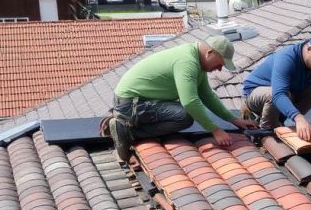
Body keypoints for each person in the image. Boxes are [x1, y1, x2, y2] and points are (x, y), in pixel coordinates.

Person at [105, 35, 257, 163]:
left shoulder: (195, 61)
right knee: (184, 116)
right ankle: (128, 132)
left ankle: (128, 125)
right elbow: (190, 101)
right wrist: (215, 130)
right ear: (210, 53)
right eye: (219, 64)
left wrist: (234, 120)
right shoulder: (187, 62)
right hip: (131, 103)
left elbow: (207, 96)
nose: (219, 69)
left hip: (136, 102)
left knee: (183, 112)